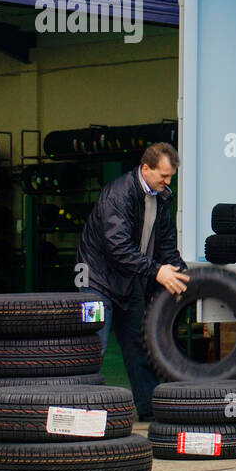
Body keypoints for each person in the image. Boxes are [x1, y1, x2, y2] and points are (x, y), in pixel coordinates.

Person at [77, 142, 190, 419]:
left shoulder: (161, 196)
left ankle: (150, 411)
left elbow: (165, 244)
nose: (167, 181)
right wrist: (156, 271)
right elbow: (118, 249)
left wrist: (180, 273)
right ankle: (77, 411)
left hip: (130, 281)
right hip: (96, 283)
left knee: (140, 345)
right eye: (163, 175)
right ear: (145, 168)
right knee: (92, 349)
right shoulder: (117, 195)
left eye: (171, 176)